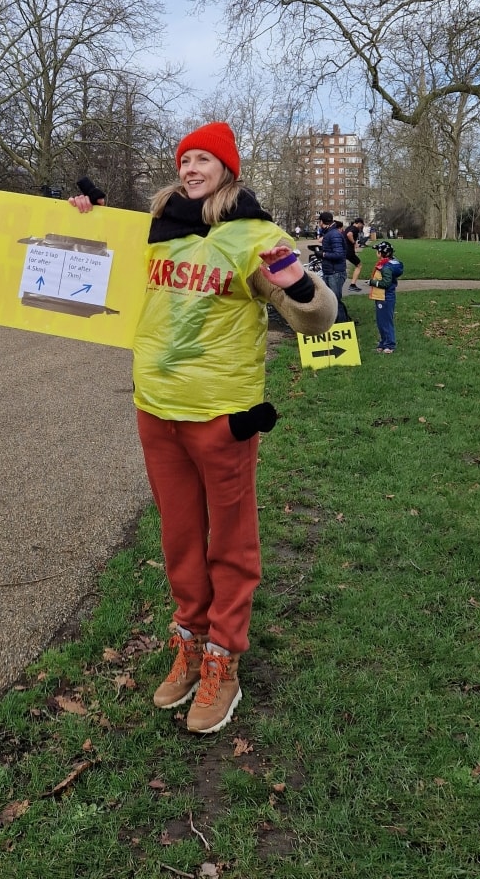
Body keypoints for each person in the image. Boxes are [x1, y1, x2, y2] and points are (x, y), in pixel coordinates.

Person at [70, 122, 336, 734]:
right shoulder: (154, 229)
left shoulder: (254, 236)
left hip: (222, 414)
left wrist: (296, 281)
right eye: (185, 159)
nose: (192, 168)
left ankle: (225, 660)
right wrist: (87, 219)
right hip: (156, 408)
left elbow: (317, 317)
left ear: (227, 169)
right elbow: (92, 262)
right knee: (180, 537)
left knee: (231, 542)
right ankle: (189, 643)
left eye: (204, 160)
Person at [368, 240, 404, 353]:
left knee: (386, 321)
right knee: (380, 321)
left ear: (382, 253)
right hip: (380, 297)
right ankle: (383, 342)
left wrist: (373, 282)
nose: (376, 253)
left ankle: (390, 344)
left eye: (378, 251)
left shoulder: (386, 267)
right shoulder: (385, 264)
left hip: (385, 297)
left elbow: (386, 283)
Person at [317, 211, 348, 322]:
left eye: (319, 221)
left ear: (322, 221)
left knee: (335, 301)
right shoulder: (329, 233)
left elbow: (339, 254)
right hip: (329, 271)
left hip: (335, 272)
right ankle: (334, 323)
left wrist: (323, 254)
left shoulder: (333, 234)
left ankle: (342, 325)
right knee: (331, 301)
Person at [344, 217, 364, 290]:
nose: (362, 226)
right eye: (361, 224)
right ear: (359, 223)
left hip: (343, 250)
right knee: (359, 265)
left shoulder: (348, 227)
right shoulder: (355, 229)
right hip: (349, 251)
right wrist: (354, 243)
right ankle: (352, 285)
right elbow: (349, 235)